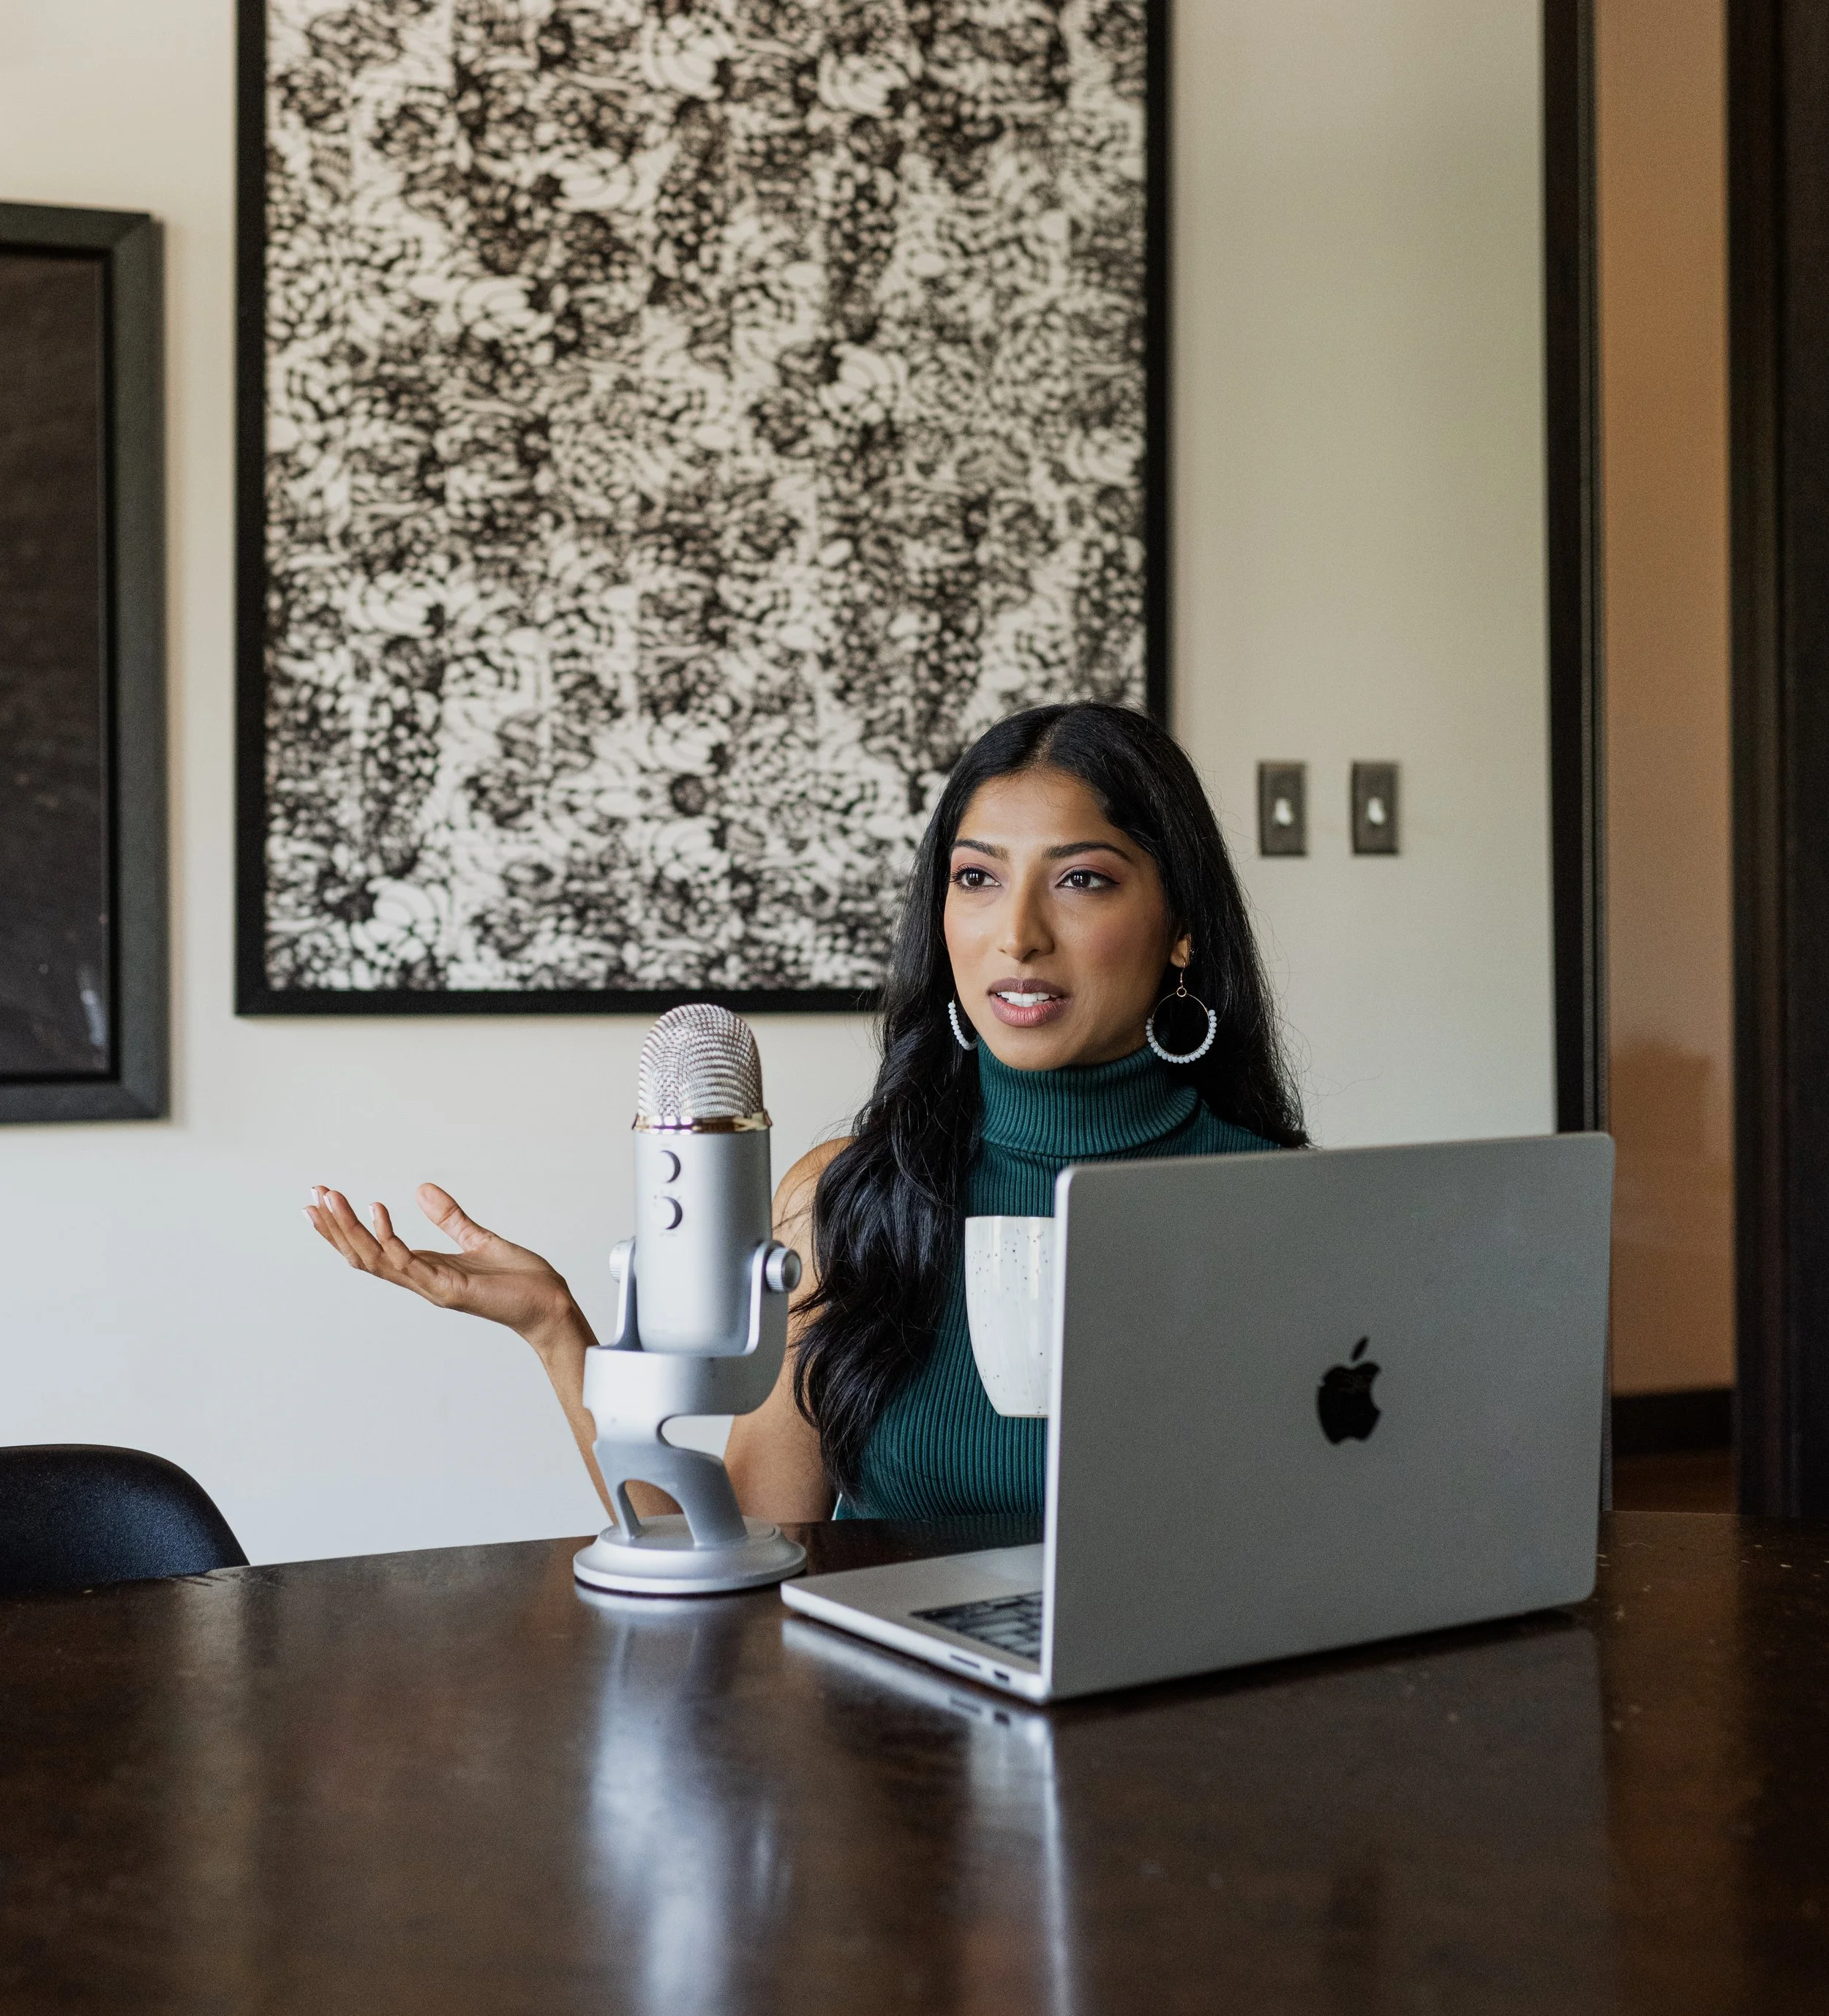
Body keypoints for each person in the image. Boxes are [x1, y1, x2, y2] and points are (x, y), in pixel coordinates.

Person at [306, 703, 1307, 1523]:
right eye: (977, 879)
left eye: (1081, 879)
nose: (1018, 934)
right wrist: (558, 1331)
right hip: (902, 1748)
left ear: (1179, 926)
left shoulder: (1280, 1204)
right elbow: (728, 1558)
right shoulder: (847, 1198)